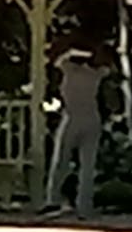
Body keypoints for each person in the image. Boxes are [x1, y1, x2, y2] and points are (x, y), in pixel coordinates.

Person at [43, 47, 112, 215]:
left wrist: (76, 52)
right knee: (87, 165)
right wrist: (92, 56)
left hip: (72, 118)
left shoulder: (70, 70)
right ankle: (84, 205)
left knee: (61, 160)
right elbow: (108, 69)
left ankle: (53, 199)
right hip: (92, 119)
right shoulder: (95, 75)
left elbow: (59, 61)